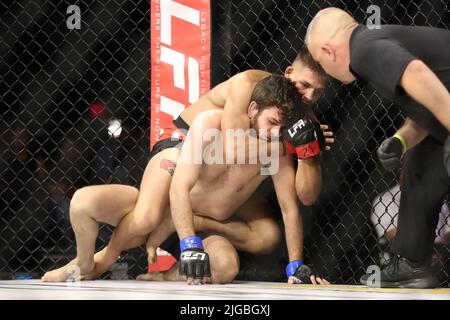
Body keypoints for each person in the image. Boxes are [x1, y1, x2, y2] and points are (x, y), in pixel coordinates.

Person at [42, 75, 331, 285]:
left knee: (226, 267)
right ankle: (87, 261)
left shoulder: (276, 150)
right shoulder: (211, 124)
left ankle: (166, 274)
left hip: (201, 225)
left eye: (282, 127)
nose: (274, 132)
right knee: (89, 203)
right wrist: (189, 243)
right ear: (253, 109)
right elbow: (179, 186)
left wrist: (296, 267)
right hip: (171, 213)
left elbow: (289, 209)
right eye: (271, 123)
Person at [306, 7, 450, 288]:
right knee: (419, 160)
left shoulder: (363, 47)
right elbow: (430, 104)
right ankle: (411, 263)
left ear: (327, 50)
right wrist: (401, 140)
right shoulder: (372, 43)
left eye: (320, 63)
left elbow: (416, 72)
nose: (328, 74)